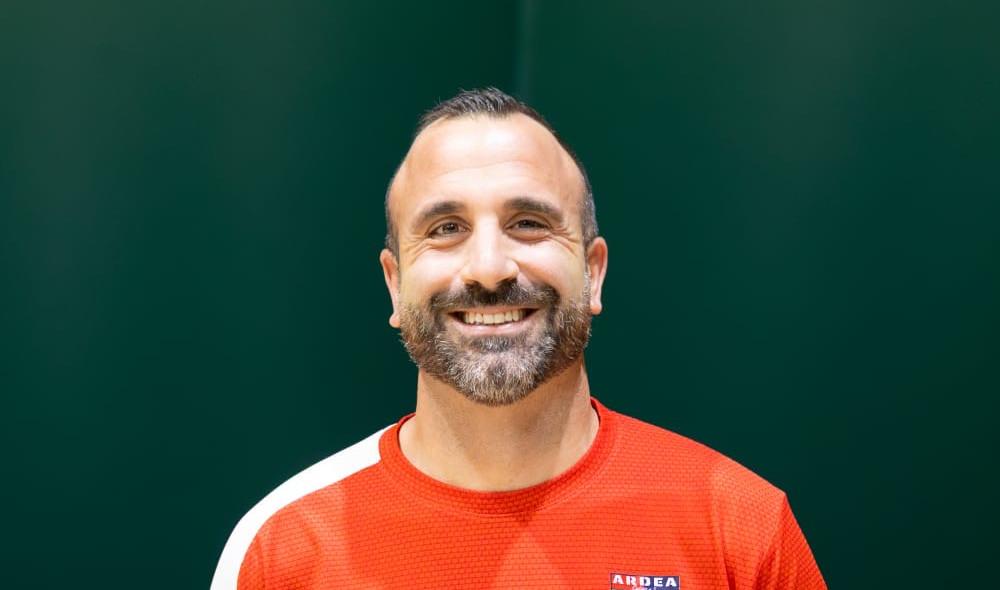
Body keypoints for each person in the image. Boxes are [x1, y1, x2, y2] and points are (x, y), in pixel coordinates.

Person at [211, 88, 827, 589]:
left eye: (528, 223)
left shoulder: (739, 528)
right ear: (394, 286)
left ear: (593, 272)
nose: (488, 268)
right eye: (445, 228)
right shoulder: (282, 546)